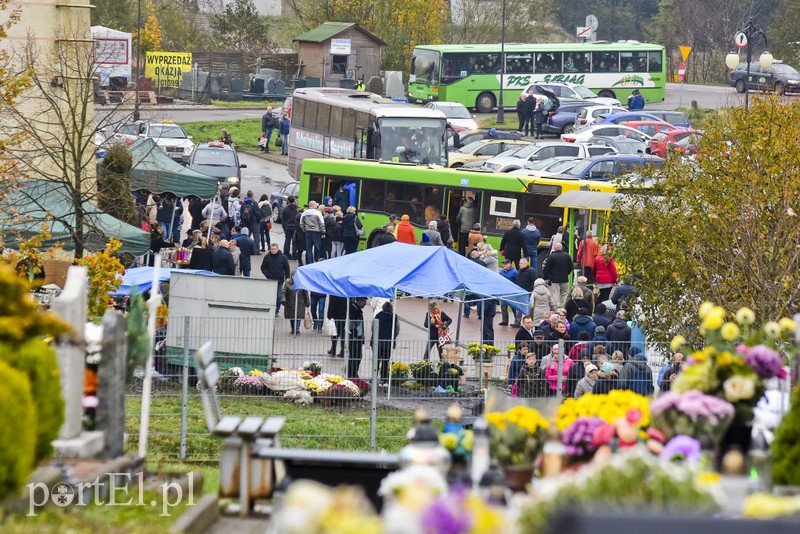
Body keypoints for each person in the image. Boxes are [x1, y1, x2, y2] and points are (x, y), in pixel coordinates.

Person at [260, 243, 291, 315]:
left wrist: (287, 278)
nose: (273, 251)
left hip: (279, 280)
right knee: (270, 295)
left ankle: (276, 310)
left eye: (274, 249)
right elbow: (263, 267)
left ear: (277, 249)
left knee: (279, 296)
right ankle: (270, 309)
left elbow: (287, 269)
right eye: (272, 249)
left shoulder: (283, 257)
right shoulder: (267, 257)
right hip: (270, 280)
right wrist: (267, 275)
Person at [374, 301, 399, 386]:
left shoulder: (378, 315)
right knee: (385, 361)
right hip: (388, 342)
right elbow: (397, 329)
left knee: (376, 360)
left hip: (377, 341)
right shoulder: (394, 317)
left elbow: (373, 327)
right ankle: (384, 378)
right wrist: (393, 337)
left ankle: (374, 377)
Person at [542, 242, 572, 306]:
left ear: (554, 248)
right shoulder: (567, 256)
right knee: (564, 293)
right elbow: (571, 266)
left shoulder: (551, 257)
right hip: (564, 278)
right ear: (562, 248)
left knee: (555, 294)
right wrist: (567, 273)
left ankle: (557, 308)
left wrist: (546, 277)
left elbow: (547, 268)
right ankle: (565, 306)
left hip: (554, 279)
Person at [347, 297, 368, 378]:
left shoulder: (356, 309)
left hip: (357, 337)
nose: (365, 303)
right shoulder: (354, 309)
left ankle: (353, 373)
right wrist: (355, 334)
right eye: (365, 301)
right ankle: (352, 374)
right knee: (355, 356)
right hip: (355, 338)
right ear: (360, 301)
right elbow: (351, 324)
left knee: (356, 356)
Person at [498, 260, 520, 327]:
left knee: (514, 307)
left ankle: (517, 321)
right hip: (504, 292)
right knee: (503, 306)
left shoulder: (515, 272)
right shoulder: (501, 272)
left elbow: (518, 281)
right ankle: (505, 320)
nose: (504, 265)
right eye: (503, 264)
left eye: (505, 264)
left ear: (509, 264)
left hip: (512, 292)